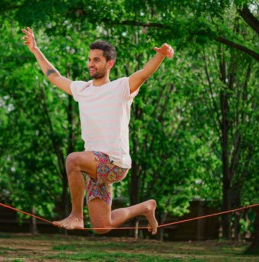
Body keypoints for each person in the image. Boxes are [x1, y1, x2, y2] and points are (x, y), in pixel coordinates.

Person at [21, 27, 174, 234]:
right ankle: (145, 207)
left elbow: (144, 74)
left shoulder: (121, 88)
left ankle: (76, 216)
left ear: (109, 64)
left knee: (72, 160)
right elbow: (54, 77)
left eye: (96, 60)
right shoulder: (82, 90)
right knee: (103, 226)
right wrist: (35, 49)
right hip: (95, 168)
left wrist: (161, 55)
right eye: (89, 59)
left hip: (114, 163)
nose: (90, 64)